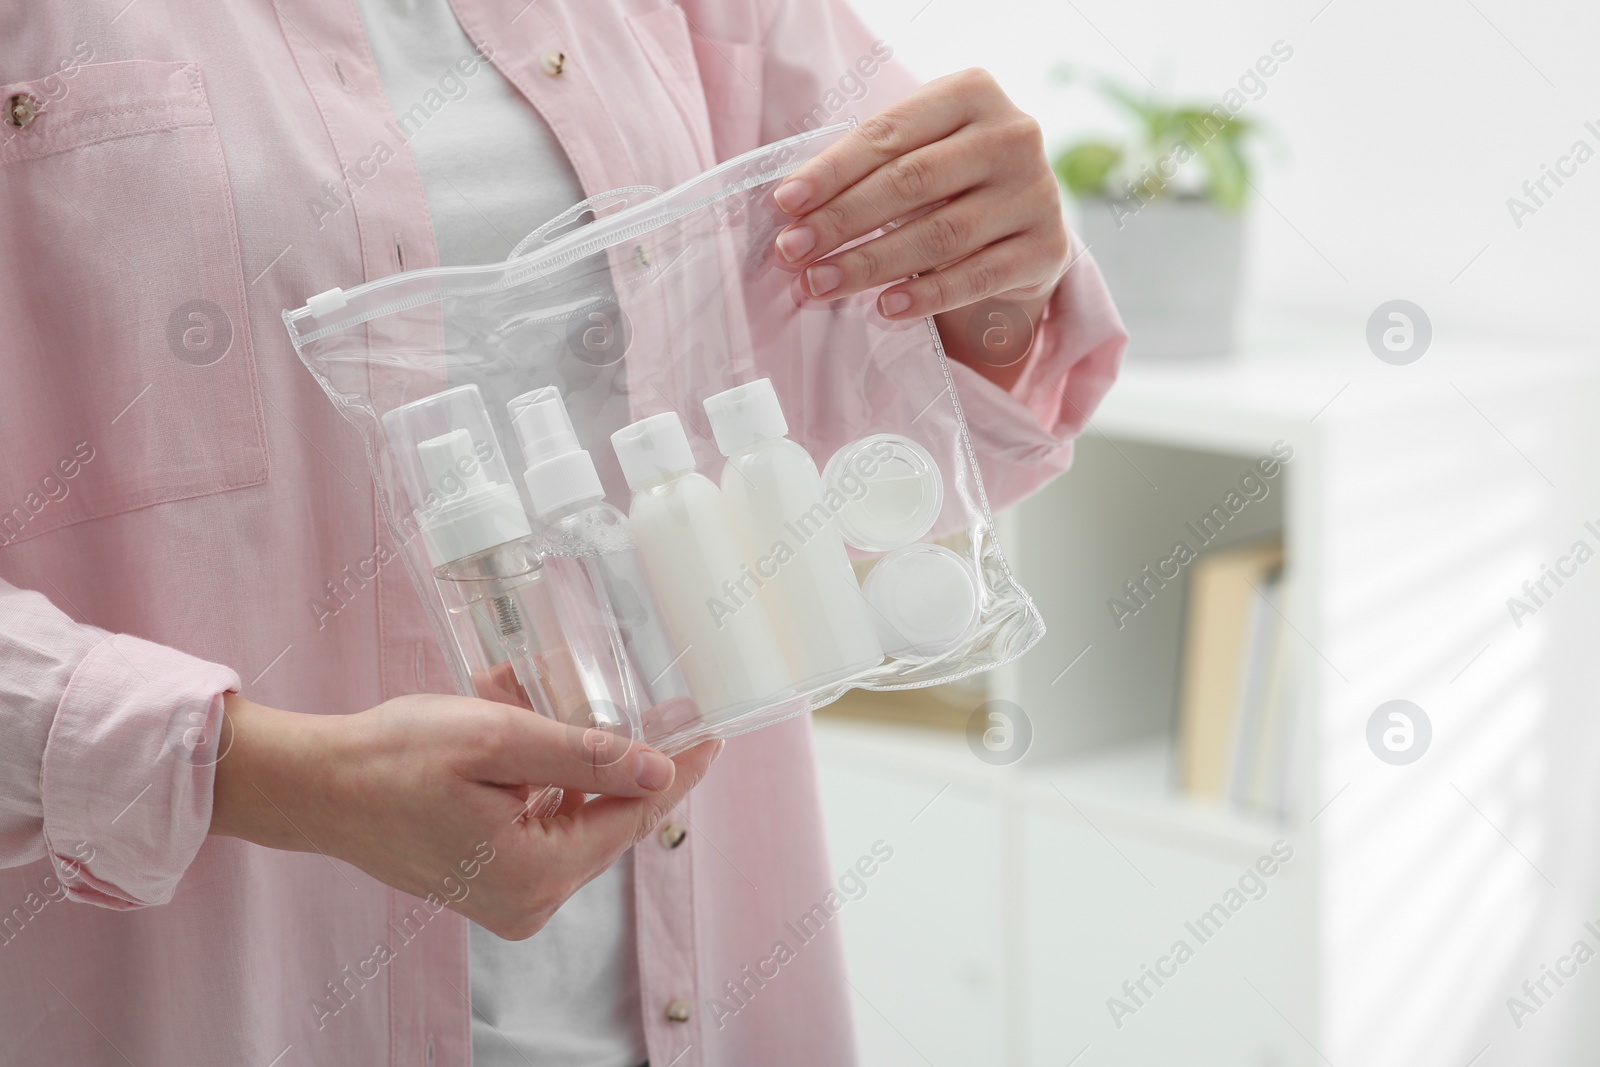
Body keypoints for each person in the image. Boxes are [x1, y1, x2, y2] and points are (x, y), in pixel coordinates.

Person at [0, 1, 1124, 1064]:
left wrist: (995, 277)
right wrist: (270, 776)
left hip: (701, 988)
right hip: (215, 999)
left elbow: (867, 407)